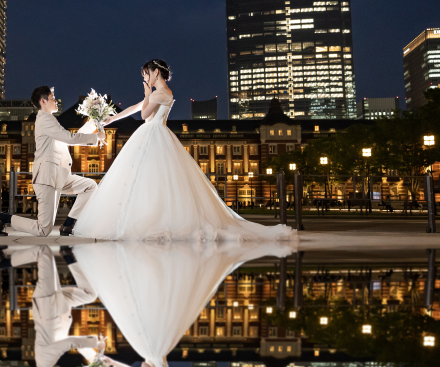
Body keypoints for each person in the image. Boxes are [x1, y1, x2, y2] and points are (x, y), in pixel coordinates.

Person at [73, 240, 295, 367]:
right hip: (152, 346)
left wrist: (111, 362)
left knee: (140, 306)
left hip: (153, 346)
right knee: (136, 306)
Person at [72, 59, 293, 241]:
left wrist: (147, 93)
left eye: (146, 74)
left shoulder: (162, 93)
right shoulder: (158, 93)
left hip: (154, 134)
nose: (145, 79)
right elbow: (135, 108)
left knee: (151, 179)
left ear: (156, 72)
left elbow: (144, 114)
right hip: (151, 135)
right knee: (146, 180)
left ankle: (154, 221)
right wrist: (112, 119)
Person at [0, 86, 105, 237]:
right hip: (47, 178)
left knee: (90, 186)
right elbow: (70, 138)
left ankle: (68, 225)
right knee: (43, 229)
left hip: (59, 175)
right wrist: (96, 137)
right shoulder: (45, 120)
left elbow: (70, 138)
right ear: (43, 101)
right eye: (53, 98)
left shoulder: (50, 120)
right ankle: (2, 218)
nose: (56, 101)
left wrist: (93, 123)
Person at [0, 245, 106, 367]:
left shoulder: (45, 361)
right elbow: (68, 341)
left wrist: (96, 344)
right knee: (89, 294)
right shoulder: (49, 361)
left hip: (47, 303)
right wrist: (93, 358)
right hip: (59, 306)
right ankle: (67, 255)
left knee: (43, 252)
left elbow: (70, 342)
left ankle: (2, 263)